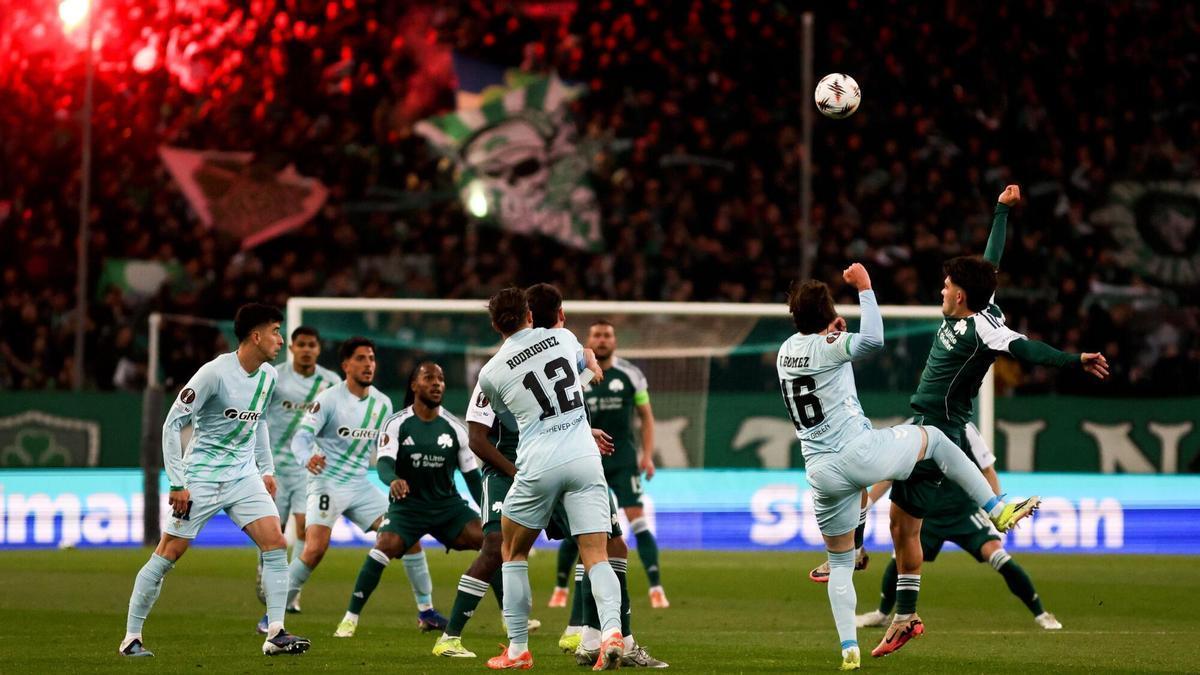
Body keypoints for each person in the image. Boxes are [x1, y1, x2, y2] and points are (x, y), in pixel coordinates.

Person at [876, 185, 1109, 658]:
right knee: (902, 523)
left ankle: (861, 554)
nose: (940, 291)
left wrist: (1072, 360)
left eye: (945, 287)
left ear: (959, 295)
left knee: (866, 474)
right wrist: (1001, 211)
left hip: (934, 430)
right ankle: (905, 614)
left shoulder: (986, 326)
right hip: (931, 426)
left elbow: (1027, 350)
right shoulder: (978, 300)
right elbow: (990, 261)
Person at [779, 264, 1038, 671]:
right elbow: (874, 340)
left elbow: (818, 346)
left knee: (842, 565)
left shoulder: (785, 353)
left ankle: (849, 649)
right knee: (934, 437)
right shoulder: (833, 344)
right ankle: (996, 506)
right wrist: (865, 289)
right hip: (857, 452)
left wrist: (829, 329)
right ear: (828, 315)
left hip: (820, 472)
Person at [118, 303, 309, 657]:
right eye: (276, 332)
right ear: (256, 336)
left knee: (276, 544)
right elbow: (172, 424)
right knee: (168, 554)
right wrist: (177, 482)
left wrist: (265, 470)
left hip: (243, 476)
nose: (281, 341)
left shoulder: (268, 376)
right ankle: (131, 637)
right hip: (202, 478)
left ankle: (276, 632)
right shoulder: (214, 373)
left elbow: (259, 421)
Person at [476, 287, 625, 670]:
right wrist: (589, 362)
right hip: (584, 458)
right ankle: (611, 632)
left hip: (538, 463)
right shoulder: (561, 337)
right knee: (596, 554)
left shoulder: (490, 373)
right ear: (529, 314)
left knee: (512, 552)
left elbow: (514, 417)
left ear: (495, 325)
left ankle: (517, 649)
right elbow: (581, 372)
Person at [856, 421, 1063, 632]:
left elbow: (987, 470)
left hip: (964, 512)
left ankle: (1041, 613)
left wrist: (995, 509)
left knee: (998, 555)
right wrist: (867, 504)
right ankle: (882, 614)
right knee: (899, 558)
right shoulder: (911, 428)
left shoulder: (965, 428)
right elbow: (891, 475)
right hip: (928, 515)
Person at [334, 361, 485, 639]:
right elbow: (383, 464)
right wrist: (392, 479)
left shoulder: (456, 427)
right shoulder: (397, 423)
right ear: (414, 385)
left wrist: (488, 515)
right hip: (408, 508)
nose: (437, 383)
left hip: (448, 507)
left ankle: (509, 620)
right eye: (429, 378)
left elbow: (472, 477)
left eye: (440, 378)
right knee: (385, 544)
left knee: (490, 544)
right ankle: (350, 618)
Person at [552, 319, 668, 609]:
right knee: (580, 524)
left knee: (638, 520)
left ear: (614, 341)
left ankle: (656, 587)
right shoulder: (575, 374)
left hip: (623, 459)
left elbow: (646, 417)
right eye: (597, 336)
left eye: (607, 335)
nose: (602, 340)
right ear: (588, 341)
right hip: (586, 458)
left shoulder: (631, 374)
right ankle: (560, 588)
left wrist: (647, 455)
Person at [255, 325, 339, 611]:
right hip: (276, 468)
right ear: (291, 348)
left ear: (318, 349)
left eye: (311, 345)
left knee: (305, 528)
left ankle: (291, 591)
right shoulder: (274, 377)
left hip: (310, 469)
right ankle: (264, 572)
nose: (306, 349)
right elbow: (258, 419)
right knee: (273, 531)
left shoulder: (331, 382)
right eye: (300, 344)